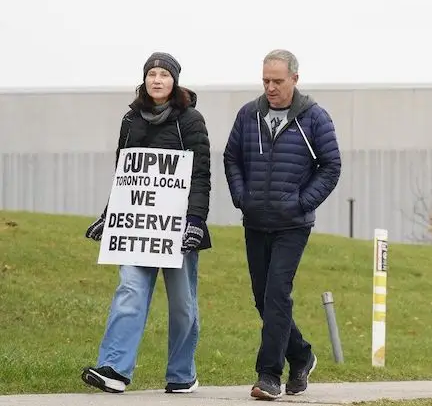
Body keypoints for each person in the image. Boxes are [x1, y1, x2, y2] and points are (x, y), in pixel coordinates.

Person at [81, 52, 212, 395]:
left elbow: (200, 176)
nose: (157, 80)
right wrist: (110, 217)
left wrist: (196, 221)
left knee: (183, 306)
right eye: (152, 74)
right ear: (144, 79)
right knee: (129, 291)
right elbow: (125, 176)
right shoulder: (130, 120)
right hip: (138, 229)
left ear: (174, 82)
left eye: (164, 75)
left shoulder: (191, 121)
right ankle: (114, 368)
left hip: (179, 229)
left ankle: (182, 374)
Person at [223, 49, 341, 400]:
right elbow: (232, 158)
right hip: (255, 221)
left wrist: (301, 203)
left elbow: (331, 167)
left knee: (277, 293)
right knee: (262, 299)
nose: (270, 87)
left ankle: (269, 375)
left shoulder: (315, 118)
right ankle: (302, 355)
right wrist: (242, 197)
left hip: (292, 225)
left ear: (294, 79)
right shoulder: (249, 115)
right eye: (265, 81)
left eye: (277, 81)